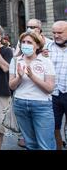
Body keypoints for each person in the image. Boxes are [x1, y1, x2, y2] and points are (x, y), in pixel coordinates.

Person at [9, 32, 56, 150]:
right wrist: (19, 77)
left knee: (45, 145)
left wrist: (32, 77)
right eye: (23, 42)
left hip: (42, 106)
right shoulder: (15, 61)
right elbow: (12, 86)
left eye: (29, 42)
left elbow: (50, 89)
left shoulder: (46, 61)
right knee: (30, 144)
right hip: (21, 104)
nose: (26, 45)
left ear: (37, 46)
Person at [48, 21, 67, 150]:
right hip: (53, 94)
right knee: (54, 126)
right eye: (54, 33)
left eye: (59, 32)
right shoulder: (47, 48)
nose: (56, 35)